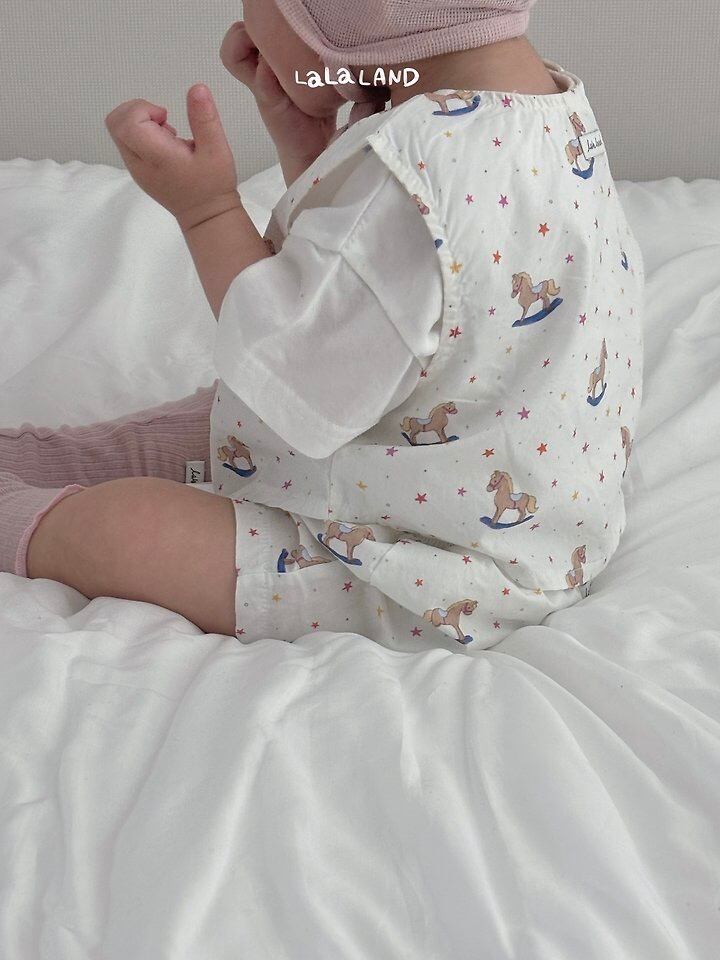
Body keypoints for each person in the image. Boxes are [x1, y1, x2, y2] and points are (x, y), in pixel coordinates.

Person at [0, 0, 644, 655]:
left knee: (124, 532)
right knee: (212, 425)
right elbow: (368, 295)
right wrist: (305, 144)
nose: (244, 31)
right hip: (519, 524)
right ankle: (35, 459)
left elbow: (292, 370)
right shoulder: (541, 109)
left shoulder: (415, 169)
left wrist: (206, 210)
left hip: (435, 581)